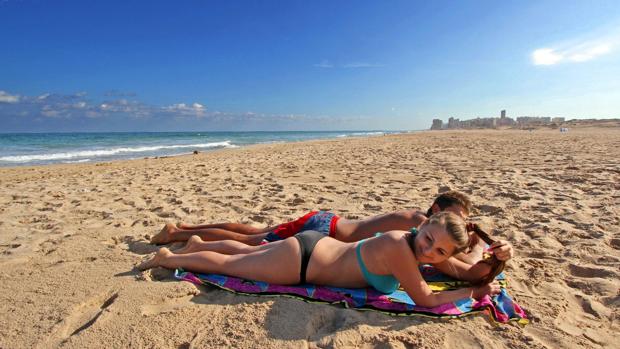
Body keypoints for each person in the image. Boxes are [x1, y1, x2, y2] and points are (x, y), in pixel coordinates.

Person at [138, 212, 502, 307]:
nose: (428, 252)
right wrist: (470, 294)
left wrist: (486, 255)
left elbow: (461, 266)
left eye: (438, 251)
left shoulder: (406, 243)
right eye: (428, 240)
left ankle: (196, 241)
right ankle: (168, 257)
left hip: (311, 246)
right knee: (228, 265)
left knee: (245, 251)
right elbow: (425, 297)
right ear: (425, 226)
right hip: (301, 264)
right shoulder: (398, 247)